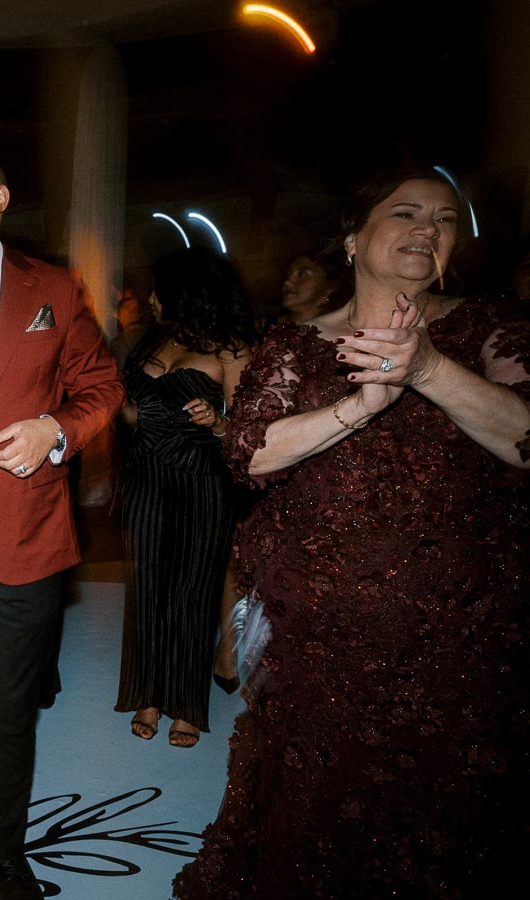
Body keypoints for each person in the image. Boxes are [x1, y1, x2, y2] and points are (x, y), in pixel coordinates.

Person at [174, 168, 530, 897]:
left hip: (461, 643)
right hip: (322, 645)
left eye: (444, 219)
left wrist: (429, 369)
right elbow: (249, 454)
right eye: (406, 212)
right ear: (353, 239)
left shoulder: (489, 328)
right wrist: (359, 408)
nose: (428, 229)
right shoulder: (298, 342)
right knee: (317, 819)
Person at [0, 145, 125, 896]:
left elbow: (102, 386)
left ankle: (7, 851)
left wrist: (54, 430)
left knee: (6, 709)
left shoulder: (52, 289)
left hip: (19, 532)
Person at [114, 247, 261, 749]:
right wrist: (124, 409)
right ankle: (149, 696)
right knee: (148, 588)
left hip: (202, 482)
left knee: (192, 592)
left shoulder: (230, 349)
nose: (152, 299)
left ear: (184, 292)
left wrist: (217, 422)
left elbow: (249, 431)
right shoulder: (153, 340)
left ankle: (186, 705)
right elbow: (132, 415)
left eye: (159, 290)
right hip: (147, 478)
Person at [279, 247, 344, 322]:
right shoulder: (269, 325)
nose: (286, 282)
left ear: (331, 286)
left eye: (302, 274)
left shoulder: (342, 327)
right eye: (288, 274)